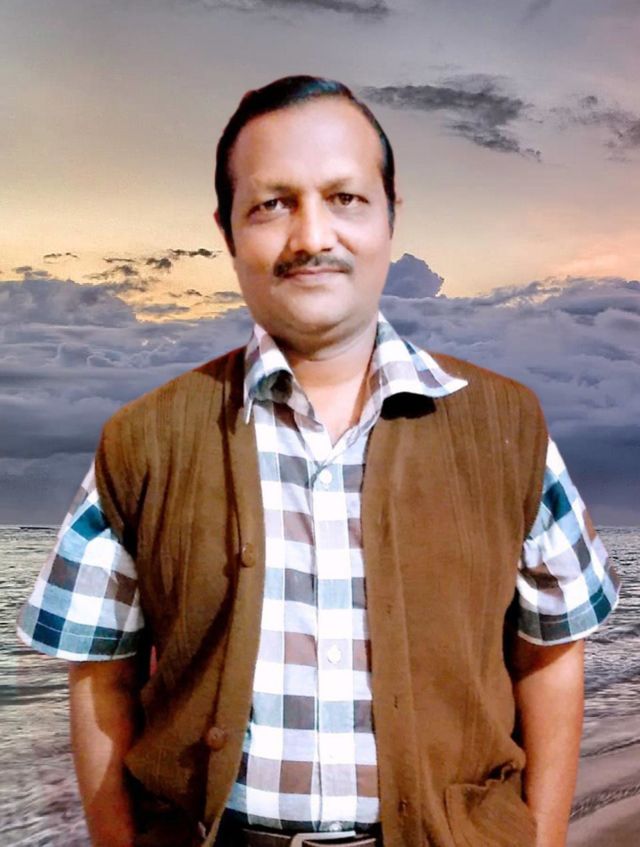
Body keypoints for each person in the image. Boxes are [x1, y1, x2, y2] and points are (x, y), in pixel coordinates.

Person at [17, 75, 620, 847]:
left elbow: (552, 654)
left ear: (391, 214)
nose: (311, 235)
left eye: (345, 198)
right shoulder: (142, 440)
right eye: (273, 203)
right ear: (227, 229)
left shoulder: (510, 428)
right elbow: (101, 674)